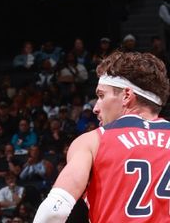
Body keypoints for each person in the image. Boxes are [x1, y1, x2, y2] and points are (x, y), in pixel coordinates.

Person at [33, 51, 170, 222]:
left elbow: (54, 211)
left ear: (127, 96)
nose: (95, 108)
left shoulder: (92, 141)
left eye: (101, 95)